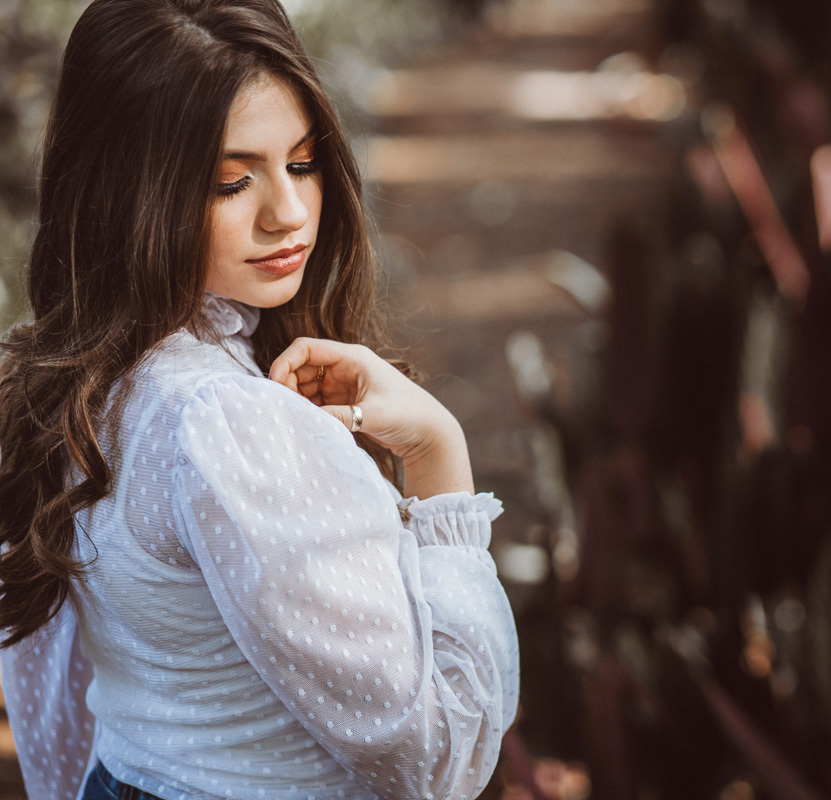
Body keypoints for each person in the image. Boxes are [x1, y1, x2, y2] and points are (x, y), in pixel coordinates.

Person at [0, 1, 520, 798]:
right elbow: (434, 757)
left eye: (304, 163)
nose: (289, 213)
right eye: (231, 181)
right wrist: (439, 456)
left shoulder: (68, 379)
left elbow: (60, 714)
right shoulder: (225, 424)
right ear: (125, 189)